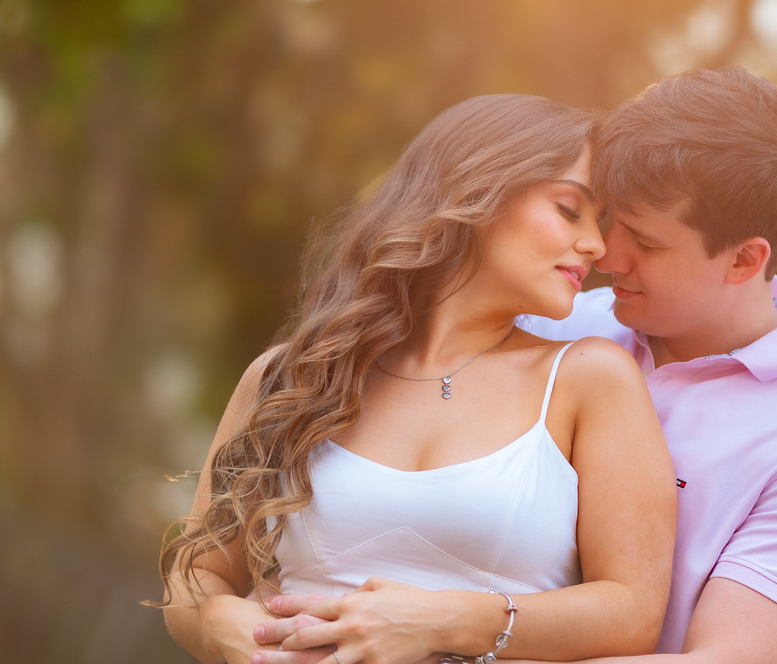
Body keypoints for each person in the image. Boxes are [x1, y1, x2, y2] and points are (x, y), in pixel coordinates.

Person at [155, 94, 677, 664]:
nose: (596, 246)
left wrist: (445, 621)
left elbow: (632, 613)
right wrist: (218, 625)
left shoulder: (589, 379)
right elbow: (194, 577)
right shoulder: (293, 376)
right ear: (479, 188)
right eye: (569, 209)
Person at [516, 67, 777, 663]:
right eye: (609, 219)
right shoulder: (550, 322)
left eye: (646, 241)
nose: (606, 254)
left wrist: (459, 643)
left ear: (745, 259)